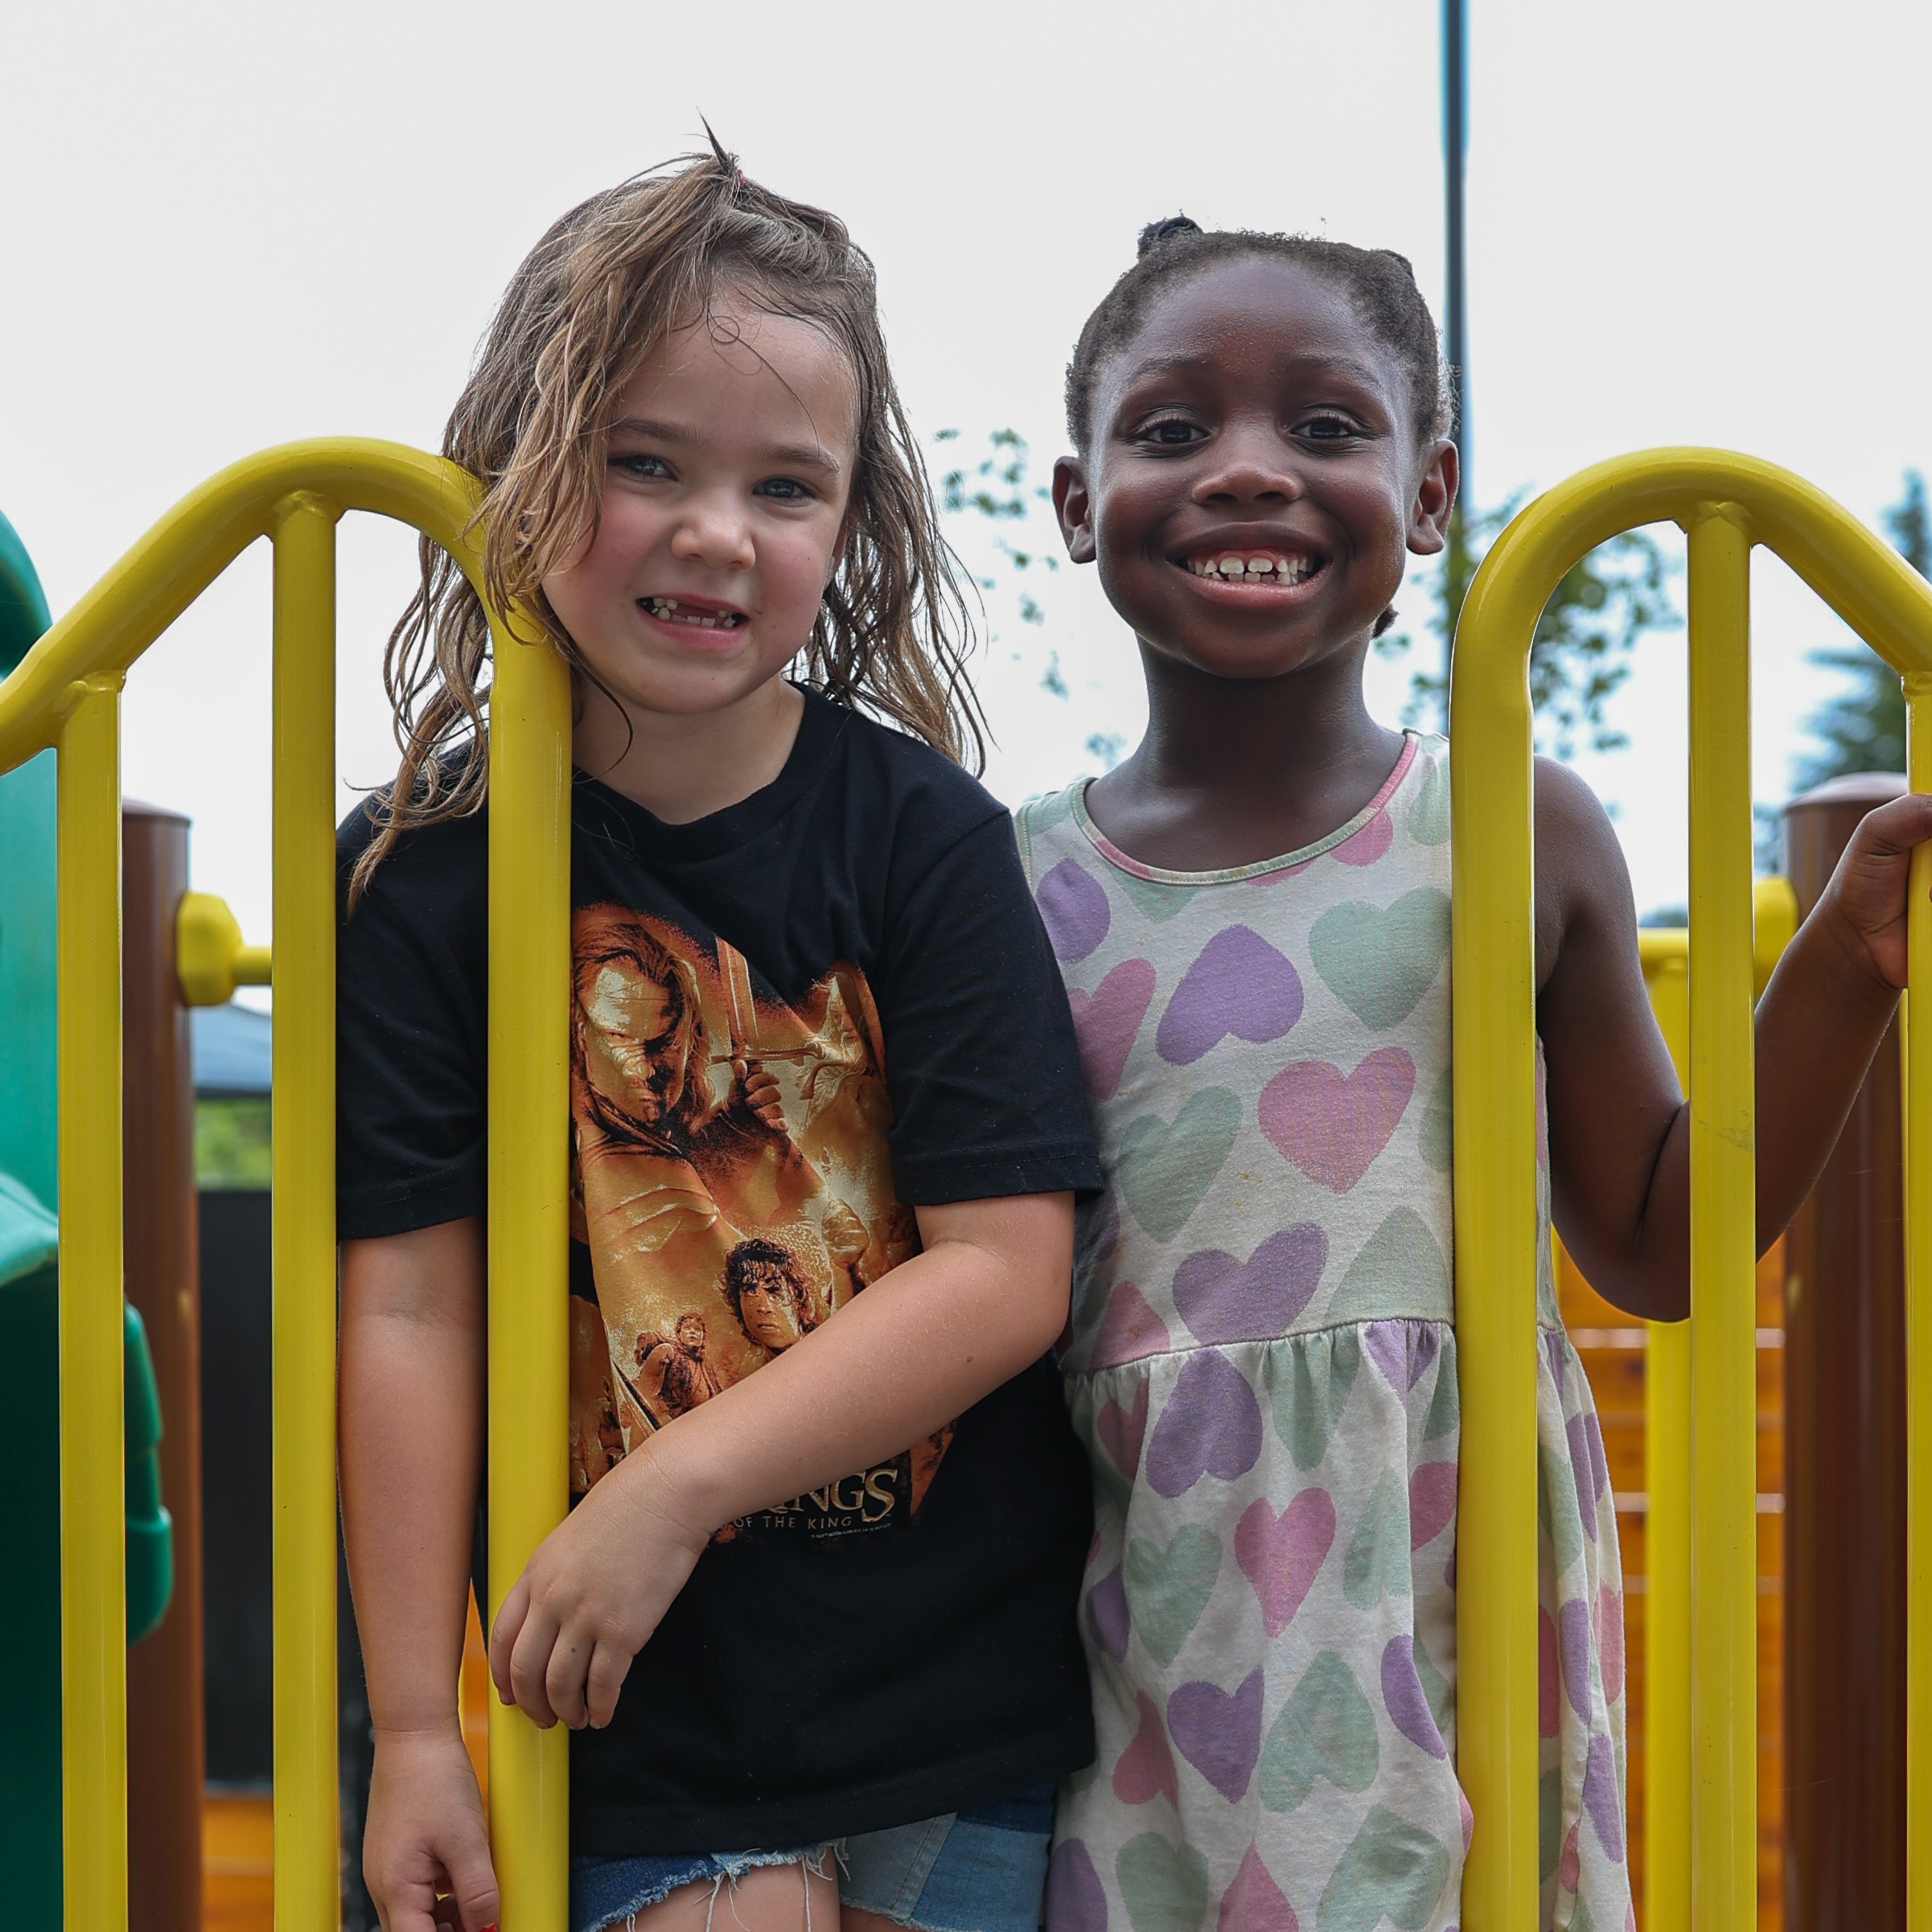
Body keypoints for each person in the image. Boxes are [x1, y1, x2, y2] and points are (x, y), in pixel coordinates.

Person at [1016, 216, 1932, 1932]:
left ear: (1429, 496)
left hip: (1442, 1578)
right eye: (1167, 429)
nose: (1246, 472)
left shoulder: (1505, 824)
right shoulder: (1016, 886)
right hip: (1134, 1597)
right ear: (1077, 502)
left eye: (1325, 426)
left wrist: (1843, 964)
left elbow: (1660, 1238)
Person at [336, 148, 1102, 1932]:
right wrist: (410, 1732)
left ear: (849, 529)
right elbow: (410, 1305)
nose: (712, 530)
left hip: (950, 1697)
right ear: (525, 464)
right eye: (644, 461)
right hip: (635, 1717)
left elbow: (1006, 1271)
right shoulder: (422, 879)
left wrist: (674, 1487)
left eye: (784, 485)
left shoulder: (920, 835)